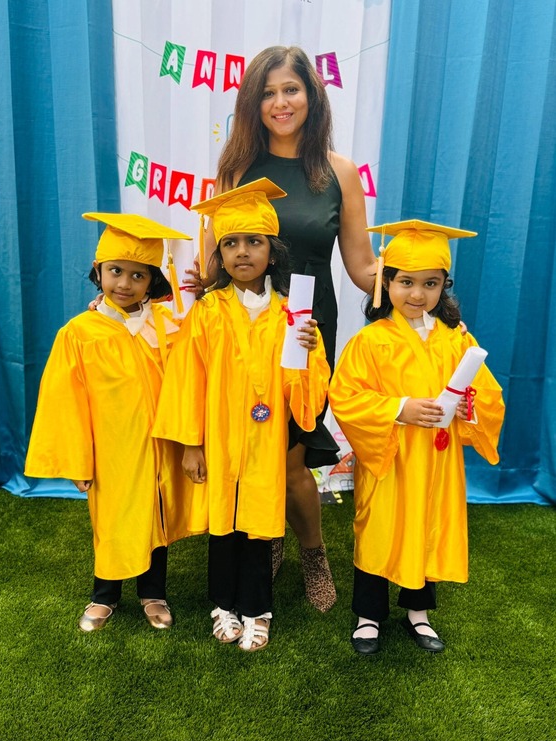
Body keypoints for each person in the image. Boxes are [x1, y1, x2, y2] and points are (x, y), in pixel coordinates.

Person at [196, 45, 377, 612]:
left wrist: (418, 284)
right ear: (253, 102)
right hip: (241, 333)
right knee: (250, 445)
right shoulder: (234, 171)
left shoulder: (338, 172)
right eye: (268, 92)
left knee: (293, 456)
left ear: (311, 96)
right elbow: (209, 266)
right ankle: (262, 542)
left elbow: (361, 265)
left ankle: (312, 551)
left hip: (305, 334)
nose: (280, 102)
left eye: (291, 89)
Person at [152, 179, 331, 651]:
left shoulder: (293, 315)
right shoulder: (208, 312)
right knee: (224, 527)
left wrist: (309, 354)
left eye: (254, 241)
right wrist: (192, 444)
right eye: (230, 243)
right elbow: (187, 379)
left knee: (259, 525)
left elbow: (306, 399)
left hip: (267, 437)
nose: (242, 252)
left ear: (272, 252)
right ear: (220, 256)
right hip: (222, 437)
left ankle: (258, 610)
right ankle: (223, 606)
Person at [328, 219, 505, 655]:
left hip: (437, 460)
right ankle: (368, 615)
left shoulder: (456, 340)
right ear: (385, 282)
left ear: (444, 286)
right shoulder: (370, 341)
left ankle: (418, 614)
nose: (417, 294)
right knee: (380, 529)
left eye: (431, 283)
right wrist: (399, 409)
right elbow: (345, 395)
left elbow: (487, 393)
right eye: (405, 282)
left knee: (426, 525)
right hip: (391, 456)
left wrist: (469, 407)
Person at [24, 212, 194, 633]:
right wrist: (79, 460)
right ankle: (105, 596)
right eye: (115, 271)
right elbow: (65, 402)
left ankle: (153, 593)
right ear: (98, 271)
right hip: (112, 450)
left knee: (156, 516)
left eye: (138, 275)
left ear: (154, 280)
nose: (124, 283)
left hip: (161, 446)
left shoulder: (169, 325)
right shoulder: (80, 332)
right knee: (113, 520)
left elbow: (193, 379)